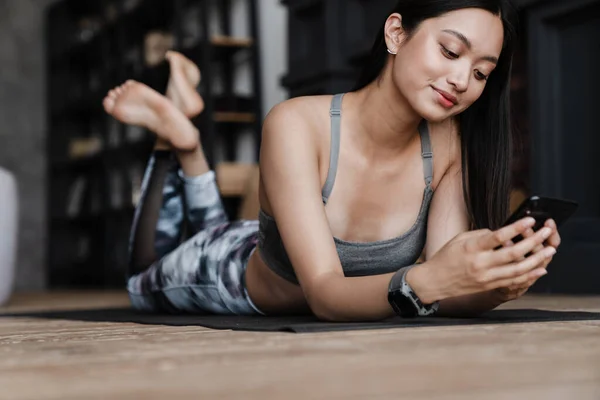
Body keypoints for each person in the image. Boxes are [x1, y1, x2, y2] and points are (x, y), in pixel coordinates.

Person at [103, 0, 561, 322]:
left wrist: (492, 282)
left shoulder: (450, 146)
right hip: (225, 268)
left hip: (275, 236)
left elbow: (440, 287)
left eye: (482, 72)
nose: (463, 79)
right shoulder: (296, 122)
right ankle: (178, 144)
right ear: (396, 33)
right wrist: (435, 279)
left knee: (212, 224)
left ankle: (185, 133)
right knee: (142, 279)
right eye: (450, 51)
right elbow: (325, 295)